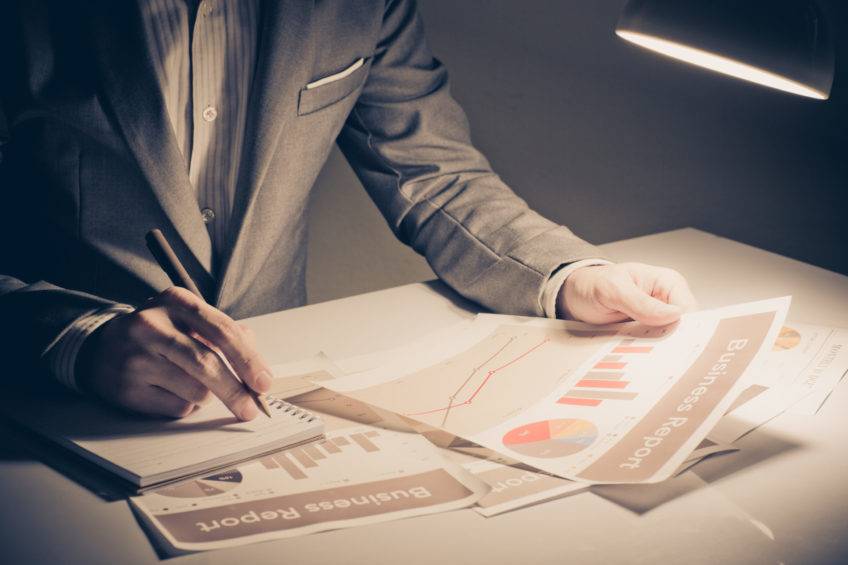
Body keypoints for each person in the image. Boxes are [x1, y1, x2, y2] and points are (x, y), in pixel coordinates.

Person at [0, 0, 696, 421]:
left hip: (271, 407)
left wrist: (571, 275)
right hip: (43, 424)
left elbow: (434, 173)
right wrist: (79, 341)